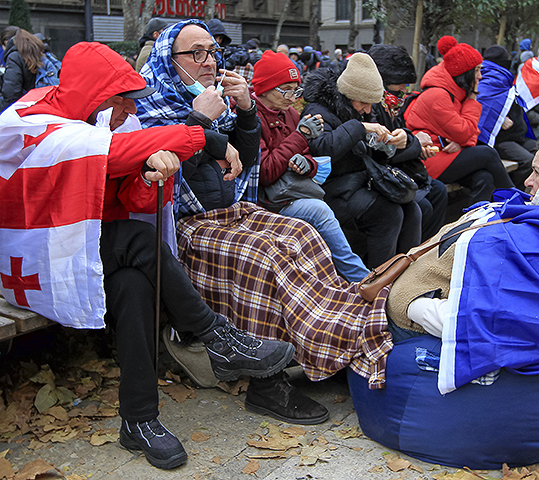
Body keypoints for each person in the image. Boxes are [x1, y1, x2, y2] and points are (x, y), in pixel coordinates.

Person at [0, 42, 294, 470]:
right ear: (92, 93)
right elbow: (110, 154)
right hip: (30, 256)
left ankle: (138, 420)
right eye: (117, 97)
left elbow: (119, 198)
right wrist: (201, 133)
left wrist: (148, 173)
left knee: (134, 284)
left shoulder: (98, 121)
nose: (124, 107)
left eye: (128, 98)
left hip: (81, 247)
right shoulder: (26, 119)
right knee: (138, 241)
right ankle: (215, 336)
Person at [136, 20, 332, 425]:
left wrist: (244, 112)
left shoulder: (215, 100)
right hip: (183, 224)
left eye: (213, 50)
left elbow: (245, 163)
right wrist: (199, 119)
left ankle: (319, 347)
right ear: (168, 59)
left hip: (231, 210)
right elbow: (166, 170)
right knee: (261, 257)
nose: (209, 61)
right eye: (196, 53)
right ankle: (267, 382)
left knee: (304, 234)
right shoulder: (147, 103)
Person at [386, 130, 539, 393]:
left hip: (412, 319)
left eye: (538, 173)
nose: (528, 181)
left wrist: (410, 304)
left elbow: (482, 323)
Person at [252, 50, 370, 282]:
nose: (292, 97)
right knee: (320, 210)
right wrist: (300, 136)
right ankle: (362, 279)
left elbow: (313, 157)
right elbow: (265, 173)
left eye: (296, 90)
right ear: (264, 89)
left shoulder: (291, 115)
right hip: (268, 200)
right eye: (286, 90)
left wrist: (306, 165)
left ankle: (357, 278)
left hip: (294, 192)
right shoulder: (253, 117)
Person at [301, 52, 423, 268]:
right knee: (387, 214)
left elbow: (377, 151)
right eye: (365, 103)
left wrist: (405, 139)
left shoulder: (361, 109)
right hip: (332, 190)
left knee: (412, 209)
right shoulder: (317, 109)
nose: (368, 110)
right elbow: (322, 148)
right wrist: (359, 127)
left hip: (361, 183)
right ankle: (379, 283)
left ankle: (404, 277)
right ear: (349, 94)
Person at [404, 36, 514, 207]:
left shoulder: (455, 90)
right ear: (465, 72)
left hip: (445, 154)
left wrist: (462, 143)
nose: (480, 76)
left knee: (484, 178)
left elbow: (471, 133)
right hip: (431, 159)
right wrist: (472, 100)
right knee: (487, 153)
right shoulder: (439, 95)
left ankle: (474, 223)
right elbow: (465, 131)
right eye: (476, 70)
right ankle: (518, 203)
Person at [368, 44, 448, 242]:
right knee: (424, 206)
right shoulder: (373, 107)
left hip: (397, 169)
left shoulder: (390, 105)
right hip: (379, 176)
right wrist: (415, 144)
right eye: (400, 83)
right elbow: (384, 152)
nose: (405, 89)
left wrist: (416, 146)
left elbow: (401, 139)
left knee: (438, 191)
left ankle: (426, 250)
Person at [476, 45, 535, 190]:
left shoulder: (503, 78)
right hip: (500, 140)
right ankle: (512, 193)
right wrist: (498, 119)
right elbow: (478, 107)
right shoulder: (488, 80)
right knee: (528, 161)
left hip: (517, 136)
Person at [0, 28, 45, 112]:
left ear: (6, 42)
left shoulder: (14, 56)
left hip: (22, 106)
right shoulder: (40, 54)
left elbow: (11, 93)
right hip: (39, 103)